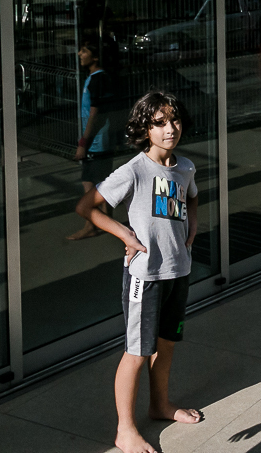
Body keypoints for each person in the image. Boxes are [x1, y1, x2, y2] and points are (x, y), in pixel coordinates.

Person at [75, 91, 202, 453]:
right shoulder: (134, 170)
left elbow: (191, 197)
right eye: (159, 122)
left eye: (174, 120)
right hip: (145, 277)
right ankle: (125, 430)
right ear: (145, 128)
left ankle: (160, 404)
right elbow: (87, 206)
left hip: (179, 270)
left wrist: (193, 226)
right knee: (137, 351)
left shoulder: (185, 167)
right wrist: (124, 233)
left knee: (166, 343)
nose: (169, 128)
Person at [69, 35, 118, 241]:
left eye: (84, 51)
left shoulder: (97, 79)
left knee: (90, 184)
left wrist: (83, 143)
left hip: (96, 143)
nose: (79, 54)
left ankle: (91, 225)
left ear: (95, 57)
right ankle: (107, 222)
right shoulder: (99, 77)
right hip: (102, 140)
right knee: (101, 183)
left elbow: (94, 115)